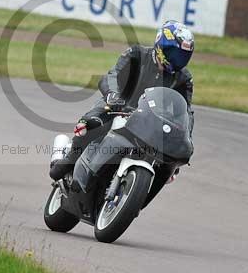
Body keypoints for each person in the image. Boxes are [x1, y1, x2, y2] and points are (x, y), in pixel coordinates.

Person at [49, 20, 196, 181]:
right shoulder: (136, 55)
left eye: (182, 57)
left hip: (149, 120)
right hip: (117, 106)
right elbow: (112, 76)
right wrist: (113, 95)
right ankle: (68, 158)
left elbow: (186, 112)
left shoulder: (184, 79)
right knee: (87, 125)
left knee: (169, 167)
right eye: (174, 54)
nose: (177, 60)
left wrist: (185, 137)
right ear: (160, 44)